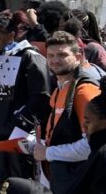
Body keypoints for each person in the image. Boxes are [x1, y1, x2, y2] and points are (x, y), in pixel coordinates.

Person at [0, 14, 51, 192]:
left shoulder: (30, 56)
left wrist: (18, 122)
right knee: (0, 179)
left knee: (17, 179)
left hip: (18, 132)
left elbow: (41, 95)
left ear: (12, 35)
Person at [34, 31, 101, 193]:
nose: (55, 60)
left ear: (78, 57)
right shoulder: (60, 88)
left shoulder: (84, 90)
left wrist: (49, 153)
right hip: (60, 177)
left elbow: (92, 146)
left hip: (78, 181)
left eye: (62, 55)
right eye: (50, 56)